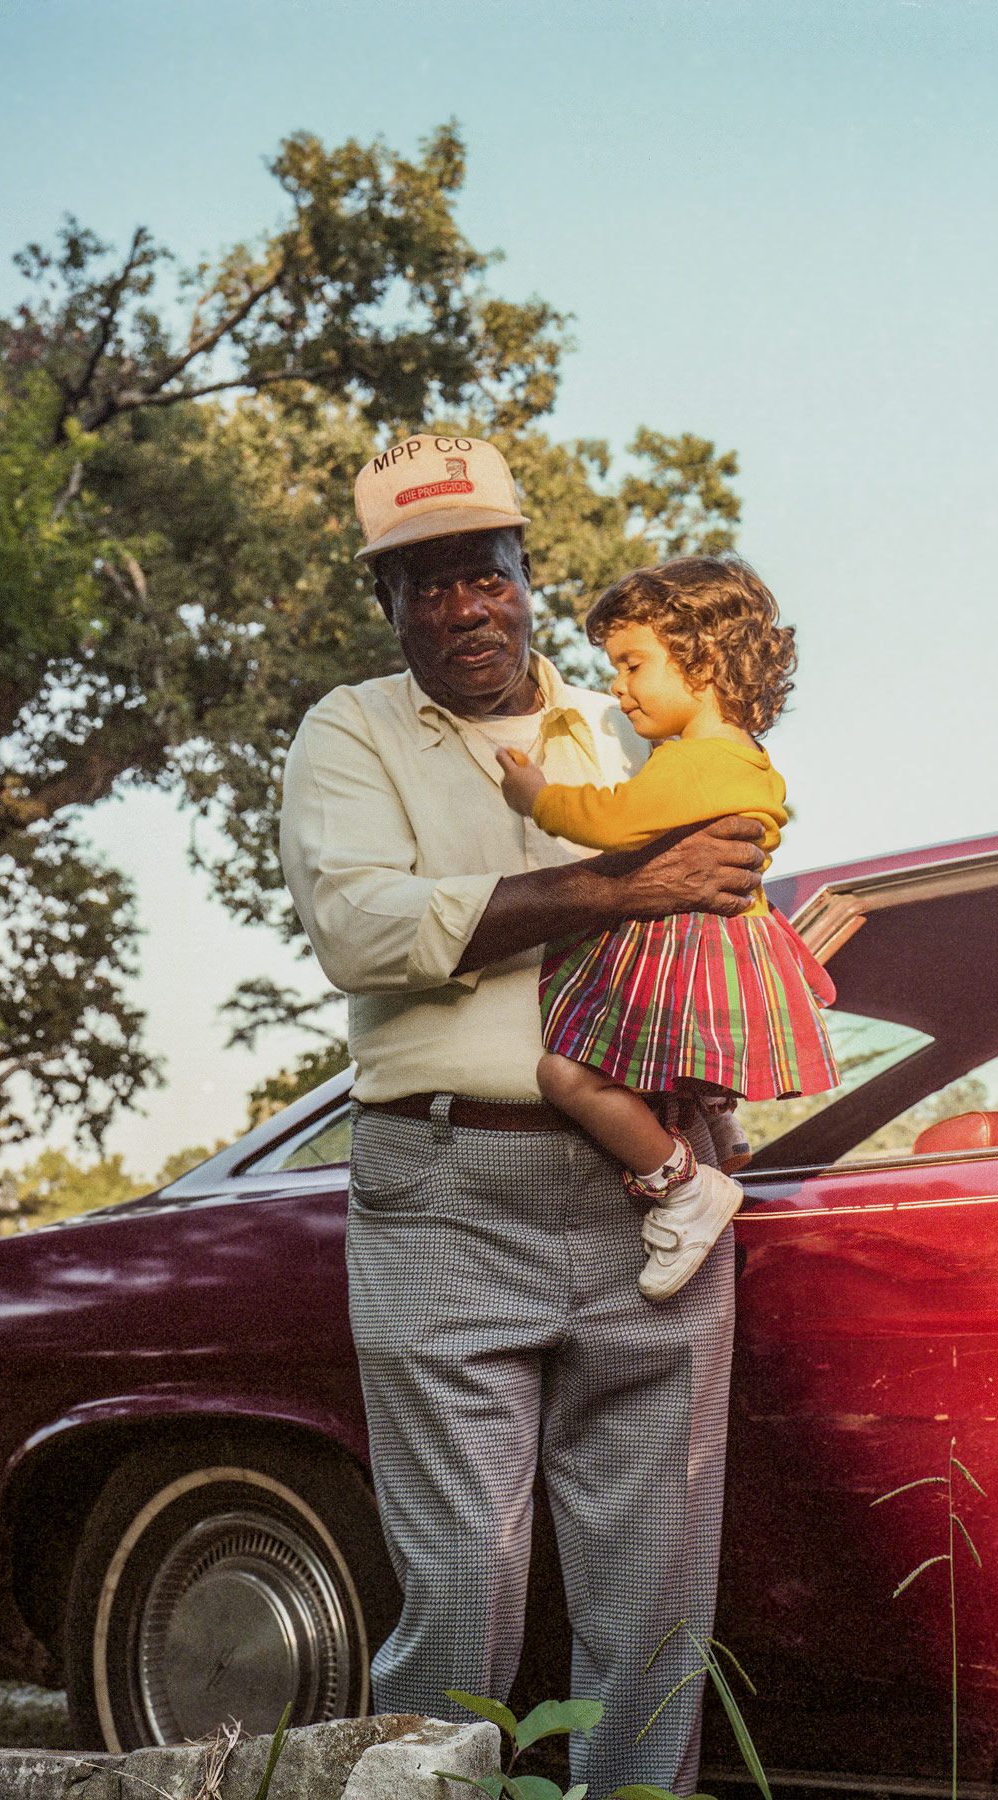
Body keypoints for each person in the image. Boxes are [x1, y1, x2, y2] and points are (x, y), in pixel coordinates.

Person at [279, 431, 766, 1796]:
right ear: (386, 605)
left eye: (481, 575)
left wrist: (775, 942)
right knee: (461, 1594)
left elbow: (715, 911)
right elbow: (367, 928)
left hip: (652, 1190)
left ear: (524, 575)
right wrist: (618, 889)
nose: (459, 610)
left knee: (656, 1601)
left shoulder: (629, 722)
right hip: (444, 1181)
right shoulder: (351, 732)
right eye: (421, 586)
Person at [493, 556, 838, 1303]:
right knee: (667, 1069)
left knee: (566, 1072)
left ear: (704, 659)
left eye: (633, 663)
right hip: (723, 940)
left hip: (682, 945)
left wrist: (536, 796)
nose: (618, 686)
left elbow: (612, 820)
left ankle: (681, 1186)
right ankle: (723, 1135)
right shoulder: (739, 756)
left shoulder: (697, 762)